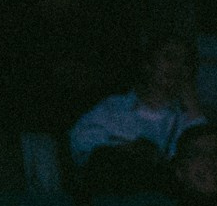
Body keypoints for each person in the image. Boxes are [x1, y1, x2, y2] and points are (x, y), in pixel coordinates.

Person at [68, 30, 204, 192]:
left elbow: (202, 153)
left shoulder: (186, 117)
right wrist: (128, 149)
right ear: (148, 65)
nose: (177, 67)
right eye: (169, 58)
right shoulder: (114, 107)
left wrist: (192, 104)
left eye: (185, 62)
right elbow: (80, 143)